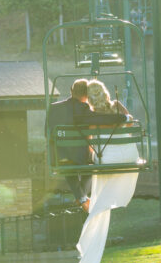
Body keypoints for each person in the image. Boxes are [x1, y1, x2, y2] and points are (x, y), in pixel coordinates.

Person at [74, 80, 141, 263]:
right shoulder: (118, 107)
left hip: (108, 157)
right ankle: (94, 212)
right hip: (129, 155)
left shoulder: (92, 116)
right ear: (105, 92)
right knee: (100, 200)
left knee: (99, 196)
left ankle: (88, 239)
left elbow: (90, 142)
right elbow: (130, 123)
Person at [47, 78, 127, 212]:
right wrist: (122, 118)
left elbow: (47, 132)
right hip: (79, 157)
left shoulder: (54, 108)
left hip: (58, 155)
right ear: (87, 94)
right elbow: (99, 118)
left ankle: (81, 197)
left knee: (68, 163)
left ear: (71, 91)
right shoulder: (82, 109)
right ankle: (82, 197)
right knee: (90, 164)